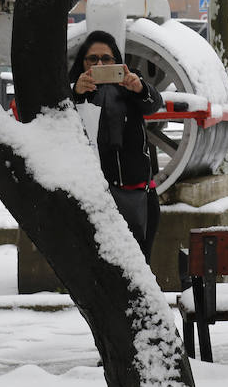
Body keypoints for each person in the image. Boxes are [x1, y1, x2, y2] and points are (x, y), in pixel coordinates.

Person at [69, 30, 163, 262]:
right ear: (82, 62)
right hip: (93, 192)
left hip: (137, 191)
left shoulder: (130, 83)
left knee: (139, 261)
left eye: (106, 59)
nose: (99, 64)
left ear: (117, 61)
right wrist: (76, 93)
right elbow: (58, 119)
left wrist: (140, 88)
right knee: (98, 263)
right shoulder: (73, 89)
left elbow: (154, 104)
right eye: (92, 59)